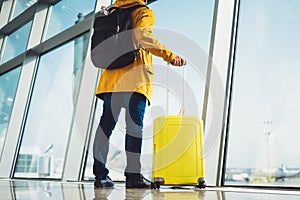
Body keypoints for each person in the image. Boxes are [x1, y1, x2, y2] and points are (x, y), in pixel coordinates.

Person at [93, 0, 185, 189]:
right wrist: (170, 56)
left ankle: (100, 176)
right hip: (135, 79)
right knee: (134, 129)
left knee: (105, 128)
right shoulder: (143, 12)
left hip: (111, 80)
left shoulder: (112, 12)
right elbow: (142, 36)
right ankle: (133, 177)